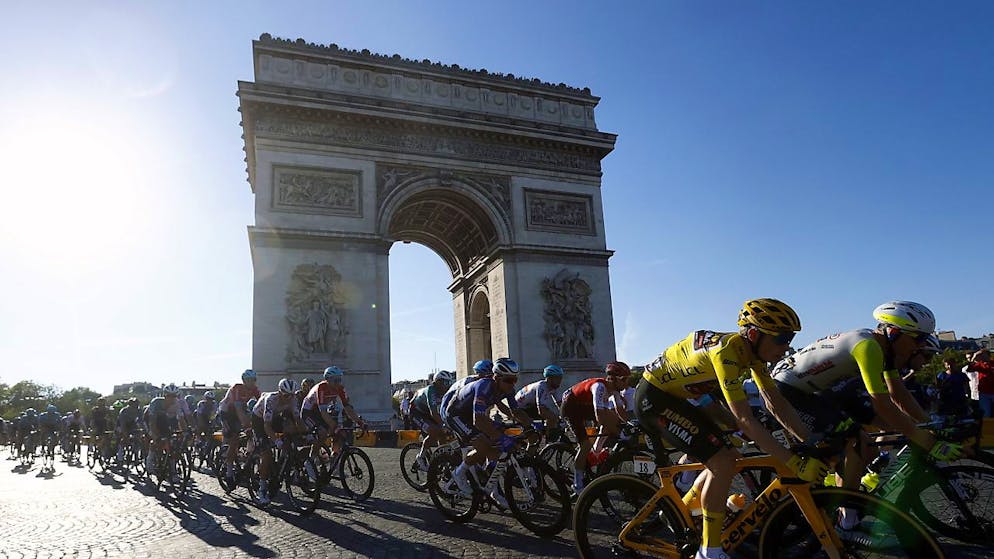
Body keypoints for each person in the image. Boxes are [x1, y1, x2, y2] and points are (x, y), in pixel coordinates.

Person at [637, 298, 823, 559]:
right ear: (755, 334)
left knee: (730, 451)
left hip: (683, 397)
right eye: (782, 338)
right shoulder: (727, 352)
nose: (787, 346)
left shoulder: (753, 356)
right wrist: (794, 462)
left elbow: (776, 403)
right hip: (654, 398)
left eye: (790, 338)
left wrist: (810, 441)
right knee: (722, 460)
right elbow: (746, 419)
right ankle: (709, 552)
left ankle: (689, 503)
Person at [771, 301, 961, 525]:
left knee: (868, 445)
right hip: (788, 391)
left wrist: (927, 425)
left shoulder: (885, 348)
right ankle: (847, 515)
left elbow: (898, 394)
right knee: (855, 442)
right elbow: (882, 403)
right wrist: (924, 439)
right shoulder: (868, 347)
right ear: (893, 332)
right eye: (918, 339)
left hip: (819, 391)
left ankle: (845, 492)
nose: (918, 347)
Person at [444, 357, 531, 508]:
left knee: (495, 453)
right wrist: (501, 437)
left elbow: (515, 411)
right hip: (456, 414)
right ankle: (459, 473)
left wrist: (531, 426)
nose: (512, 384)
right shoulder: (484, 385)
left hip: (473, 414)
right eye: (509, 380)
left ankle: (494, 492)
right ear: (496, 377)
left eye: (515, 380)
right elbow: (478, 420)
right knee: (484, 445)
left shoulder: (508, 388)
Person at [560, 361, 631, 494]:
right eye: (624, 379)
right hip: (570, 407)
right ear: (614, 379)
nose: (627, 383)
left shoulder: (614, 390)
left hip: (584, 405)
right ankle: (577, 484)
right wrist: (620, 434)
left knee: (613, 419)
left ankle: (596, 451)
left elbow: (620, 412)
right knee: (585, 445)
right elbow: (600, 418)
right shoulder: (599, 387)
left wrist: (631, 425)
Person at [252, 378, 305, 505]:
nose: (289, 398)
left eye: (292, 395)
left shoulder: (293, 399)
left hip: (275, 417)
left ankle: (282, 463)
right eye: (286, 395)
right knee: (267, 455)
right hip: (259, 420)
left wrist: (306, 434)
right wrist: (277, 442)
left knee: (291, 429)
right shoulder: (271, 399)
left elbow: (298, 420)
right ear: (280, 392)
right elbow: (267, 426)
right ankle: (262, 488)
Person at [300, 366, 365, 461]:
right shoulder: (321, 388)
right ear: (328, 380)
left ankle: (334, 458)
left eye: (340, 380)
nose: (338, 383)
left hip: (320, 412)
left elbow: (348, 408)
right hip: (308, 412)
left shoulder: (340, 388)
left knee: (337, 434)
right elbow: (323, 412)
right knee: (322, 433)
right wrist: (335, 427)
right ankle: (311, 459)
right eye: (336, 380)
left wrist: (360, 422)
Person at [217, 369, 261, 487]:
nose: (251, 382)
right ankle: (229, 472)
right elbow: (238, 410)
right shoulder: (237, 388)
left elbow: (262, 404)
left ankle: (247, 454)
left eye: (253, 380)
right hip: (226, 413)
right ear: (244, 381)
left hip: (240, 410)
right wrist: (246, 426)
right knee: (234, 439)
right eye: (248, 380)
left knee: (253, 432)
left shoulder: (255, 390)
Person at [410, 369, 455, 470]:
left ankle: (442, 460)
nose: (448, 385)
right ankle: (420, 458)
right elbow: (434, 412)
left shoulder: (445, 392)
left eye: (450, 382)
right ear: (438, 382)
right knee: (434, 431)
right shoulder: (431, 390)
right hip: (416, 412)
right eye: (446, 382)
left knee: (442, 436)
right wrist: (444, 426)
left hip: (426, 413)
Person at [514, 364, 565, 438]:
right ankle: (550, 441)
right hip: (520, 408)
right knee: (552, 417)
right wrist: (555, 418)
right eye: (557, 378)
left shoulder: (553, 387)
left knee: (553, 417)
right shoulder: (541, 386)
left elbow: (561, 404)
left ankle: (549, 437)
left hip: (530, 406)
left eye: (560, 378)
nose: (559, 381)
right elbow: (541, 411)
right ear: (549, 378)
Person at [966, 349, 994, 417]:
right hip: (984, 393)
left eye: (983, 355)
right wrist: (974, 357)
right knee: (986, 413)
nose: (981, 357)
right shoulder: (979, 365)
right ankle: (987, 427)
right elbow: (969, 369)